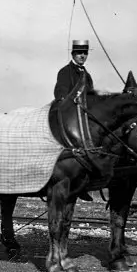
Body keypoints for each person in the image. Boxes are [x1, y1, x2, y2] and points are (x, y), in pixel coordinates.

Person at [53, 39, 94, 201]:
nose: (82, 56)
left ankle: (83, 183)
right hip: (69, 116)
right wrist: (72, 101)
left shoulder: (87, 75)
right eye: (79, 53)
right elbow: (60, 94)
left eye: (85, 53)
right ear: (73, 54)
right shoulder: (65, 72)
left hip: (83, 117)